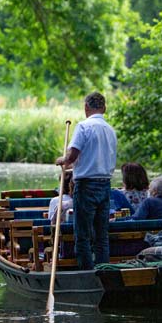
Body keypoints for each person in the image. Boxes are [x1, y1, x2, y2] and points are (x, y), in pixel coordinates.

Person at [56, 91, 117, 270]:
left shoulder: (83, 127)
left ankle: (87, 274)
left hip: (86, 185)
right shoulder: (110, 130)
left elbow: (72, 156)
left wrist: (62, 160)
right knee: (101, 234)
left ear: (86, 107)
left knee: (82, 235)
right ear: (104, 108)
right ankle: (104, 271)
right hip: (105, 184)